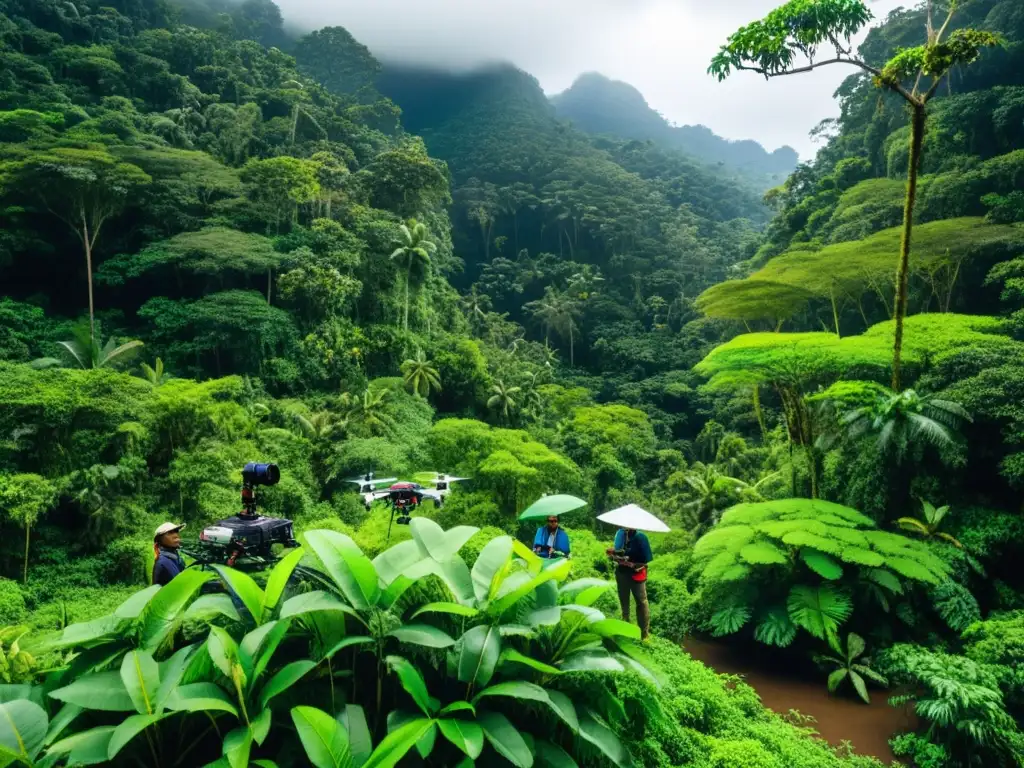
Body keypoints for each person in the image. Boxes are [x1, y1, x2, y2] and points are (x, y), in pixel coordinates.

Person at [607, 528, 652, 640]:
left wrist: (633, 564)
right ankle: (626, 624)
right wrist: (613, 554)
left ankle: (644, 634)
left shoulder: (641, 537)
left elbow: (646, 561)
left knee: (641, 602)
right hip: (622, 573)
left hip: (637, 574)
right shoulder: (620, 534)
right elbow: (617, 553)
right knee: (623, 599)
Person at [152, 522, 186, 586]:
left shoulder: (178, 559)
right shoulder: (161, 563)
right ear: (160, 540)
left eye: (176, 531)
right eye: (170, 533)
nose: (176, 535)